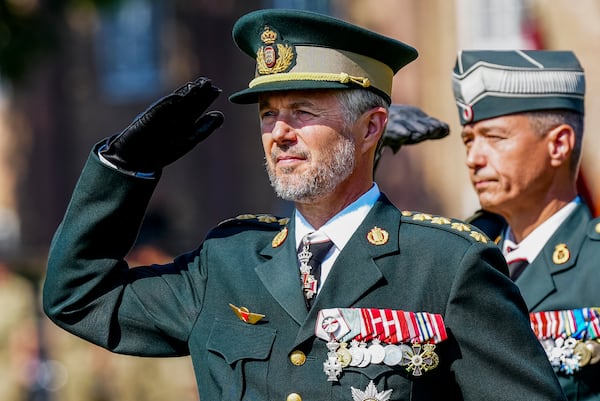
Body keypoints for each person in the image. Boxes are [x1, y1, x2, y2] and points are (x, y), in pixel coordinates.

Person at [43, 9, 566, 401]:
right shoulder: (227, 262)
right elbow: (79, 297)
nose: (280, 133)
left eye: (303, 110)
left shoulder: (447, 265)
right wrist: (124, 172)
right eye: (268, 114)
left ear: (371, 128)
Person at [453, 49, 600, 401]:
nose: (474, 158)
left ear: (558, 145)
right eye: (469, 140)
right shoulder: (460, 258)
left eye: (495, 137)